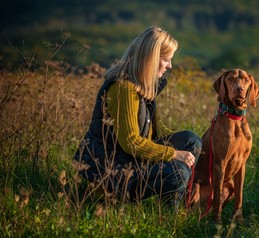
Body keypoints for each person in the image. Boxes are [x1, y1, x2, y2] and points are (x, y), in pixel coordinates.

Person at [73, 26, 202, 207]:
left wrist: (187, 149)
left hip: (133, 161)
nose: (170, 66)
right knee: (178, 171)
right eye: (166, 60)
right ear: (152, 58)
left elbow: (152, 134)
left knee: (191, 140)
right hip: (118, 172)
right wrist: (173, 154)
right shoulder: (123, 88)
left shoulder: (141, 86)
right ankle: (165, 218)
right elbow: (132, 142)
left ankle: (172, 207)